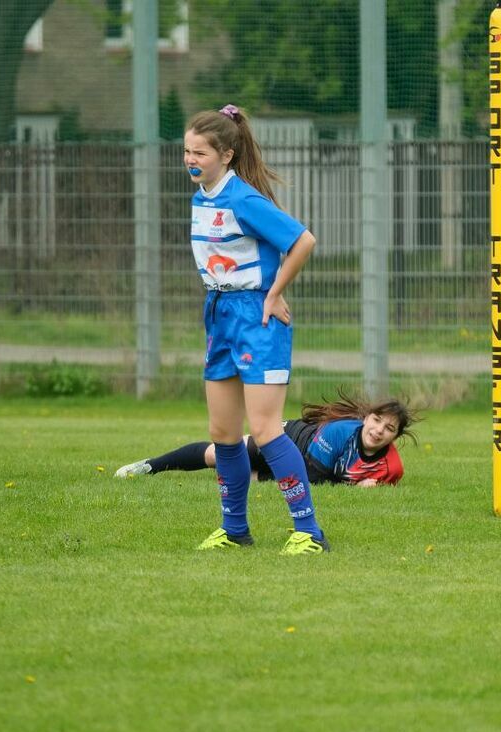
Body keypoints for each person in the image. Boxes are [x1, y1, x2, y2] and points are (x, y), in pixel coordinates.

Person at [183, 104, 327, 554]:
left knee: (265, 429)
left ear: (226, 155)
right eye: (186, 151)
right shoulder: (201, 197)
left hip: (257, 320)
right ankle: (235, 530)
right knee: (223, 433)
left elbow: (303, 240)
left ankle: (309, 532)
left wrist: (273, 292)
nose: (190, 159)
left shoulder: (243, 198)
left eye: (200, 153)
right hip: (220, 314)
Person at [115, 393, 418, 487]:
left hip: (297, 465)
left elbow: (384, 485)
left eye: (389, 428)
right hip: (287, 437)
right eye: (376, 420)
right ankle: (149, 466)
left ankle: (246, 477)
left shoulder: (391, 467)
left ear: (395, 437)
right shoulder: (340, 432)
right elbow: (312, 477)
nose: (378, 430)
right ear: (366, 418)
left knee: (240, 476)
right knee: (219, 456)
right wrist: (352, 486)